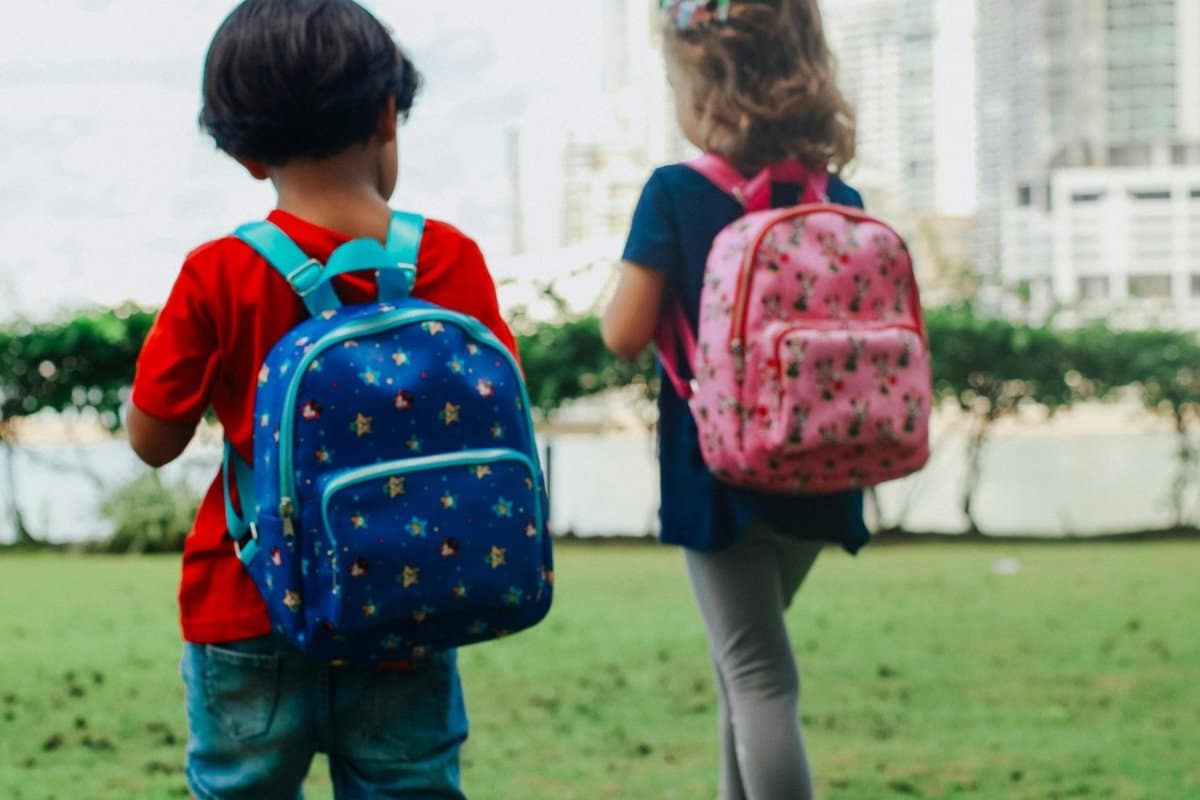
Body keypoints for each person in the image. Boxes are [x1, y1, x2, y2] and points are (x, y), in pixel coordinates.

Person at [127, 1, 517, 797]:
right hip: (406, 597)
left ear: (242, 153)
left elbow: (153, 440)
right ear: (386, 115)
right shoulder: (452, 261)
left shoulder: (219, 274)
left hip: (246, 603)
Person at [601, 1, 868, 798]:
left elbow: (623, 331)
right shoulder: (839, 199)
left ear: (702, 87)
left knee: (760, 678)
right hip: (825, 467)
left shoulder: (676, 193)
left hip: (719, 475)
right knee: (742, 667)